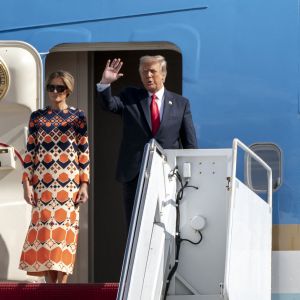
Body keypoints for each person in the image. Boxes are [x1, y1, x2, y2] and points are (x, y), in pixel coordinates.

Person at [97, 55, 197, 227]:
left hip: (168, 173)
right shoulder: (131, 97)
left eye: (153, 71)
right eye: (144, 72)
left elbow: (190, 143)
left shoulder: (181, 104)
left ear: (163, 74)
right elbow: (109, 105)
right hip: (134, 174)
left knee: (167, 223)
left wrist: (191, 175)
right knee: (135, 225)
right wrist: (105, 83)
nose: (148, 76)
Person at [19, 70, 90, 283]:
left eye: (60, 88)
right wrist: (26, 183)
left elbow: (83, 151)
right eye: (51, 87)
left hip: (68, 185)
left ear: (68, 90)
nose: (55, 92)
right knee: (45, 236)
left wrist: (84, 184)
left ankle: (62, 285)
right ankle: (52, 288)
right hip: (42, 184)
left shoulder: (78, 117)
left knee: (64, 235)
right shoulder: (37, 117)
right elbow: (29, 151)